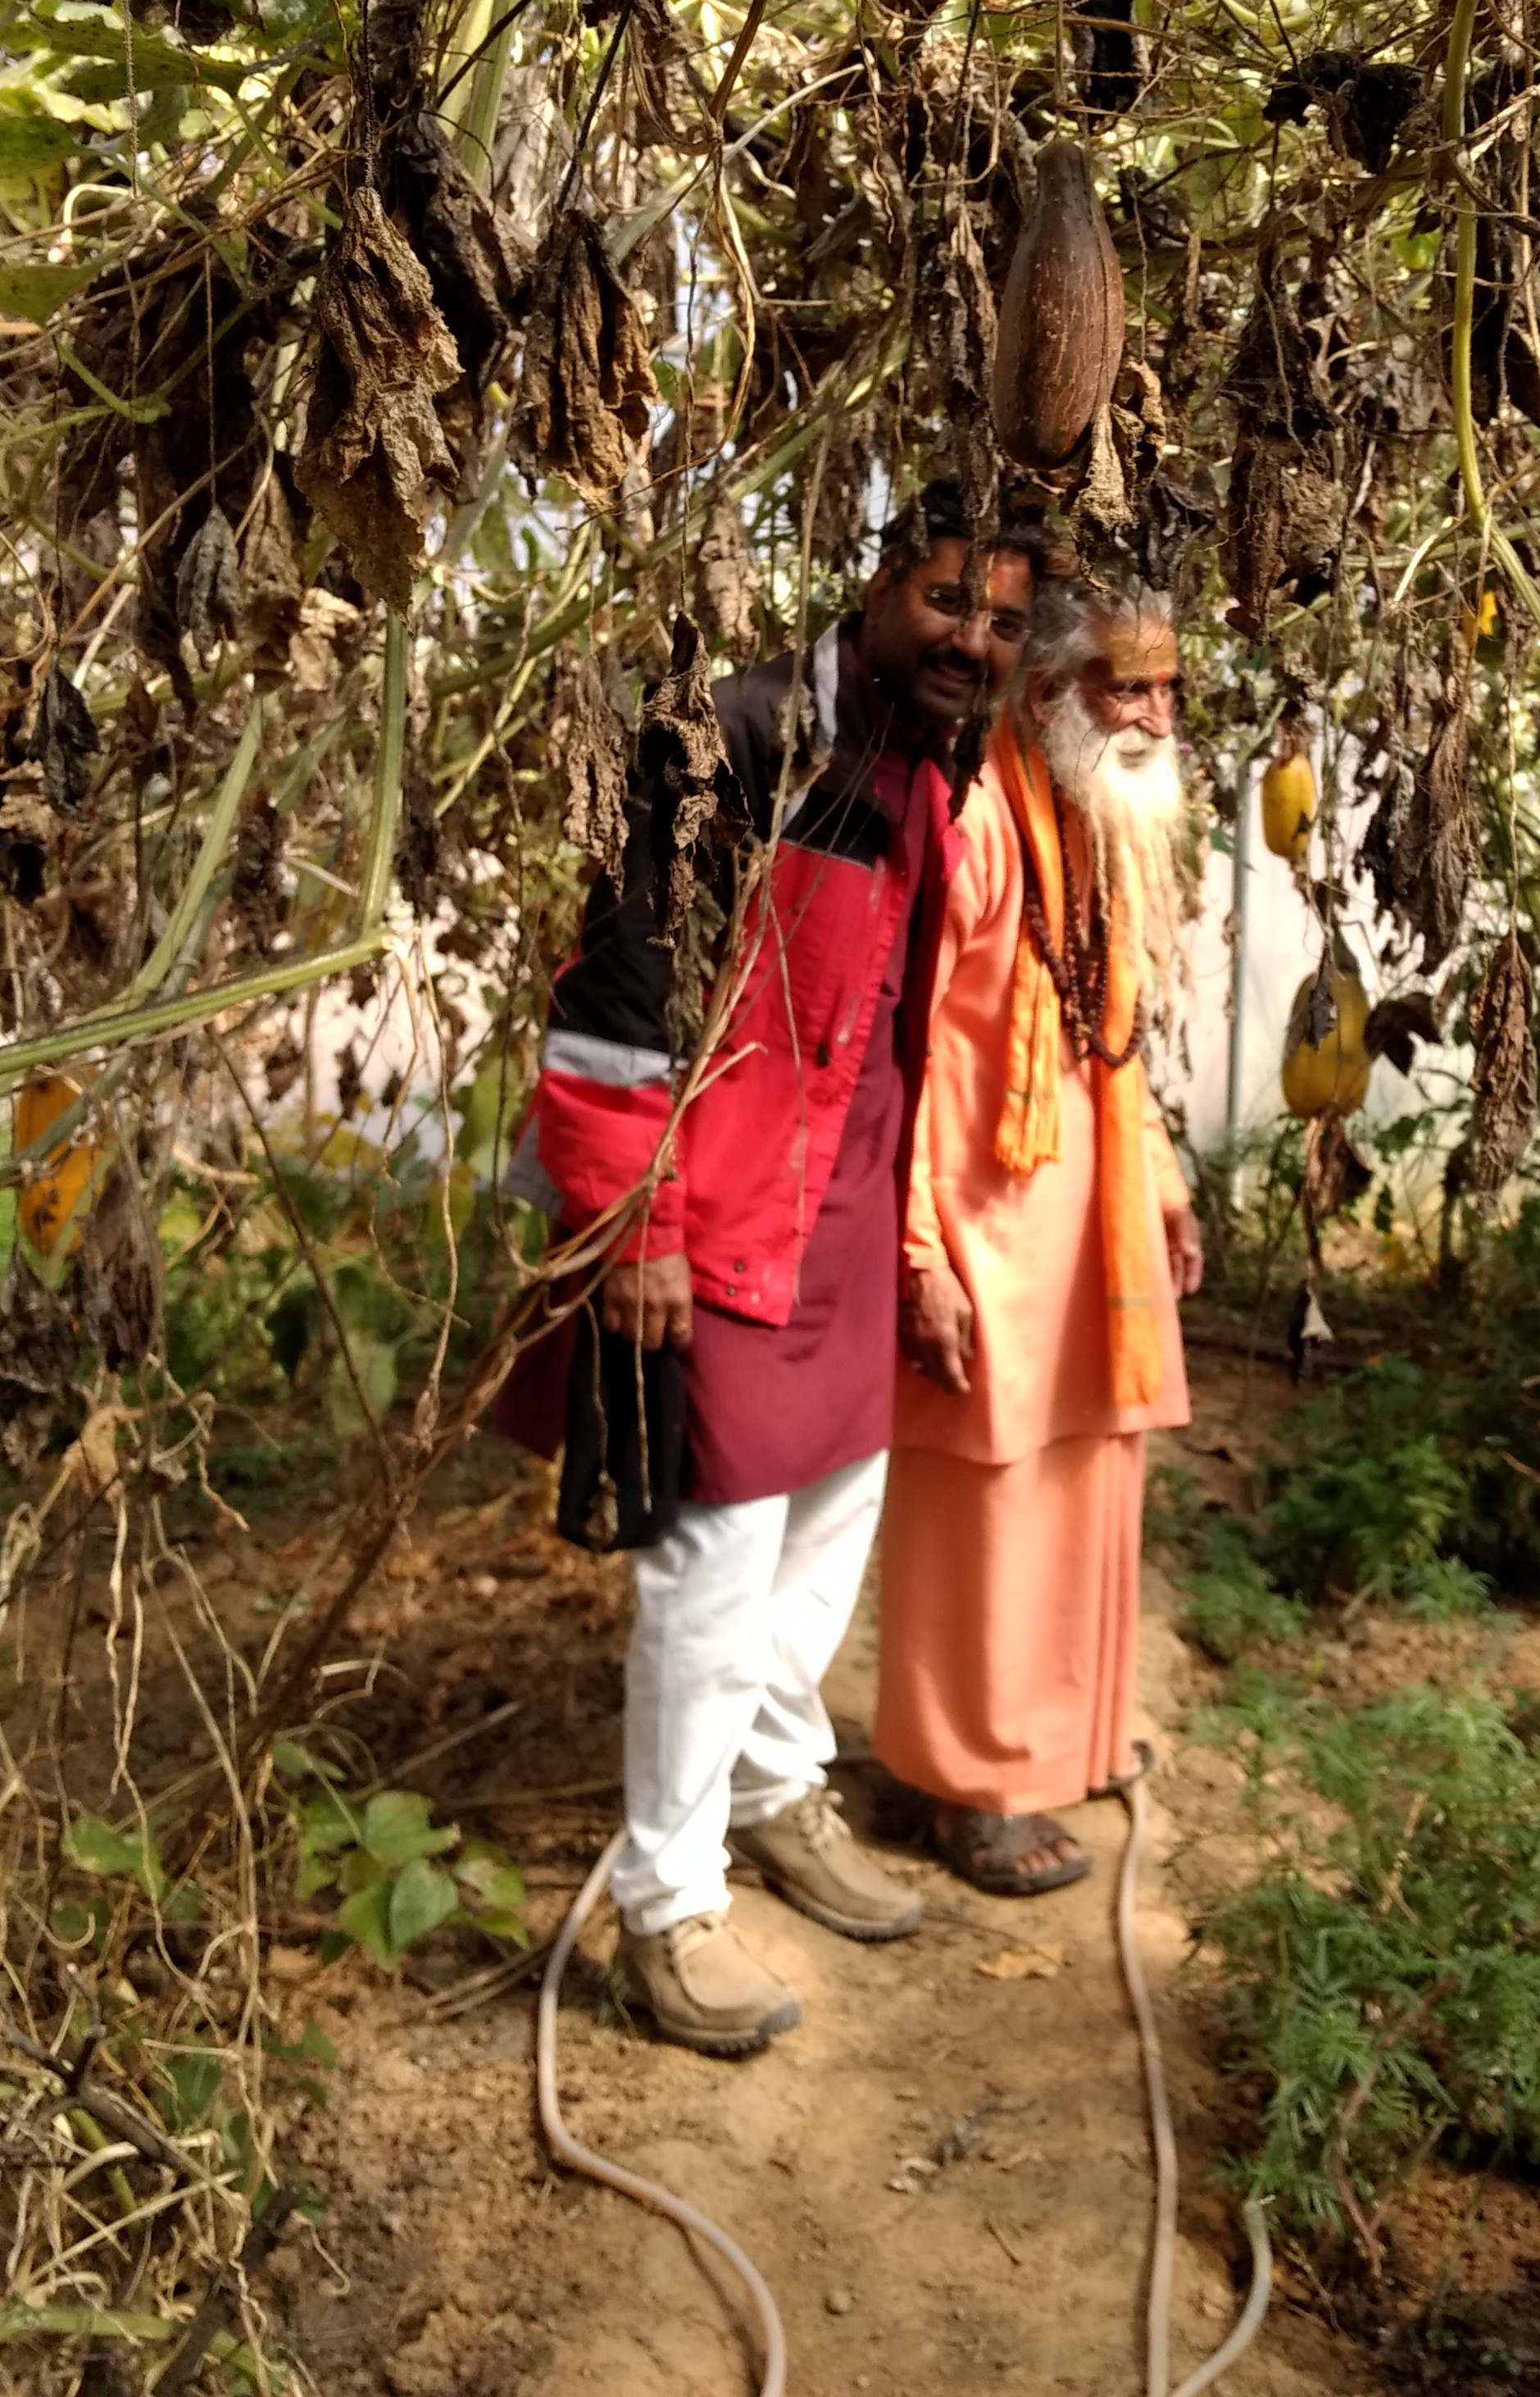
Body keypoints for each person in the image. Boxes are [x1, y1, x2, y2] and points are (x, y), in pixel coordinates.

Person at [520, 498, 1039, 2054]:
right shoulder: (741, 734)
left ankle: (772, 1789)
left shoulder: (934, 766)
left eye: (1007, 622)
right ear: (877, 583)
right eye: (950, 601)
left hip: (852, 1207)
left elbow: (903, 1024)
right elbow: (616, 971)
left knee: (833, 1524)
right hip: (726, 1208)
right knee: (712, 1559)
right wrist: (637, 1219)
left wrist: (915, 1232)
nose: (975, 642)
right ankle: (668, 1909)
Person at [881, 577, 1205, 1894]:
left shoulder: (1103, 824)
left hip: (1096, 1227)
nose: (1149, 716)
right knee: (992, 1517)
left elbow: (1115, 1044)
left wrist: (1166, 1188)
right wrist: (916, 1254)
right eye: (1122, 687)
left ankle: (1060, 1741)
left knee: (1089, 1494)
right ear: (1047, 693)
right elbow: (898, 1058)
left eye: (1166, 689)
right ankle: (972, 1785)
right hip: (985, 1232)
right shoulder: (975, 822)